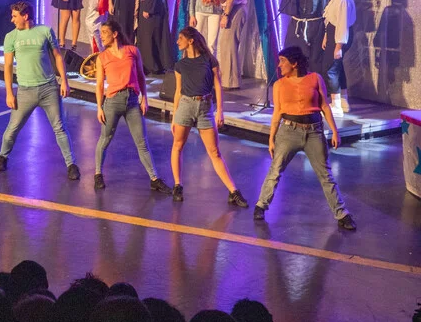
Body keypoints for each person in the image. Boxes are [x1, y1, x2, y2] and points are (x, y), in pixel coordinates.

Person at [253, 46, 355, 230]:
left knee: (325, 175)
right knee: (275, 170)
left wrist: (335, 131)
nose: (279, 65)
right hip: (288, 132)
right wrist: (271, 138)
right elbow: (277, 113)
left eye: (283, 61)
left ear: (294, 63)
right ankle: (261, 205)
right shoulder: (279, 85)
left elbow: (324, 106)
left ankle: (342, 214)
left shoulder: (315, 78)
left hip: (314, 132)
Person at [0, 1, 78, 177]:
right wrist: (9, 92)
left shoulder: (45, 31)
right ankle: (2, 157)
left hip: (49, 89)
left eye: (15, 16)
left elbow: (58, 57)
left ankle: (71, 165)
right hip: (25, 91)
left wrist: (64, 81)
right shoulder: (11, 37)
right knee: (12, 128)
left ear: (25, 16)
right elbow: (7, 66)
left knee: (59, 127)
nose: (12, 19)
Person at [169, 26, 248, 206]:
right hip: (185, 106)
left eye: (181, 38)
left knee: (214, 152)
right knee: (177, 145)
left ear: (191, 41)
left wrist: (220, 110)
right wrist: (174, 115)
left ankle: (233, 191)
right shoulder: (180, 65)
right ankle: (177, 185)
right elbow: (178, 91)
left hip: (205, 107)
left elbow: (218, 86)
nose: (177, 42)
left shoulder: (209, 60)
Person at [93, 19, 171, 192]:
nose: (101, 36)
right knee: (105, 139)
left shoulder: (132, 51)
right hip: (112, 102)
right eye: (101, 33)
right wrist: (99, 107)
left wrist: (145, 98)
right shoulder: (102, 57)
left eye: (105, 32)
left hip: (132, 101)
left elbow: (141, 76)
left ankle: (154, 178)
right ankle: (98, 174)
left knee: (142, 142)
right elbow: (99, 85)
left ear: (115, 34)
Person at [280, 0, 328, 76]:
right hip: (296, 26)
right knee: (293, 56)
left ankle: (313, 84)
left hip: (315, 27)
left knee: (314, 58)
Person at [322, 0, 356, 114]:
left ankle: (335, 105)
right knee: (337, 67)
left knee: (331, 69)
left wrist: (338, 46)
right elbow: (331, 18)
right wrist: (326, 36)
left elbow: (342, 23)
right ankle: (343, 101)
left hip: (340, 36)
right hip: (333, 34)